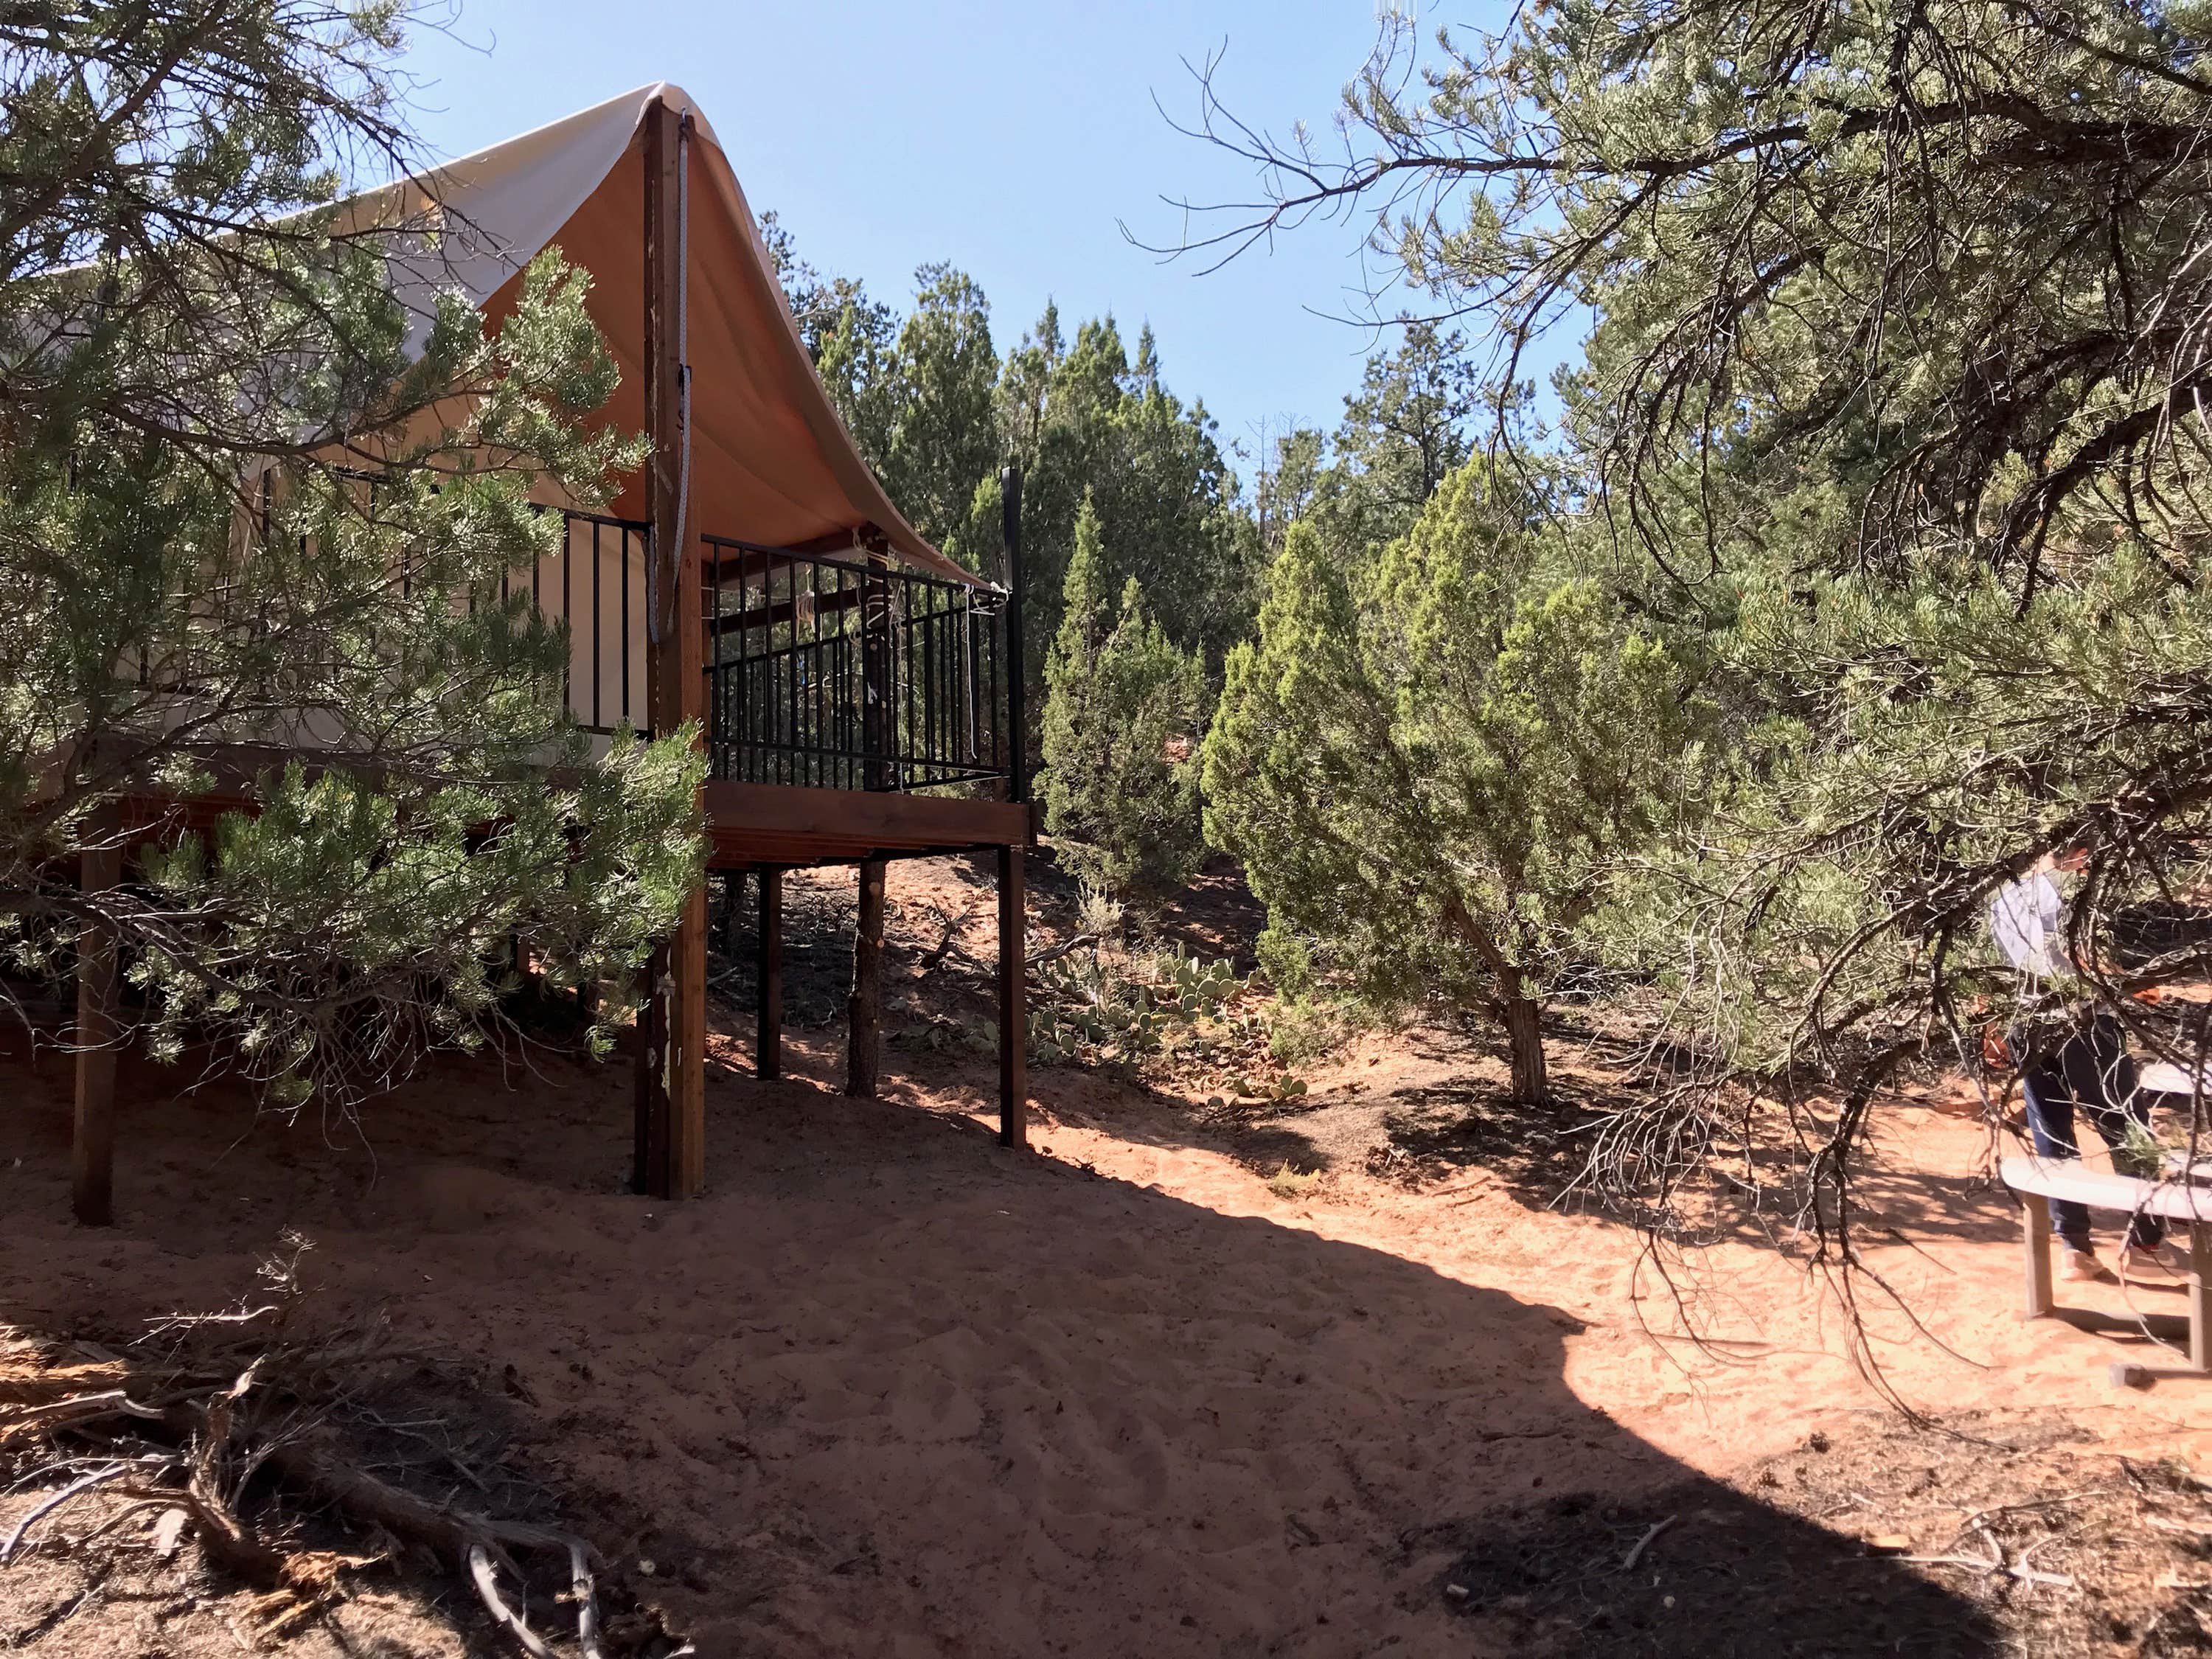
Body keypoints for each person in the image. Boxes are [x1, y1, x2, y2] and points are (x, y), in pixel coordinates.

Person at [1988, 852, 2183, 1283]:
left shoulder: (2002, 894)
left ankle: (2074, 1246)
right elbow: (2084, 955)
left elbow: (1993, 973)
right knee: (2123, 1121)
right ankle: (2147, 1238)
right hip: (2084, 1021)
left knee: (2051, 1131)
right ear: (2070, 849)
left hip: (2027, 1023)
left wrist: (1995, 1028)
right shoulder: (2072, 888)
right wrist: (2134, 985)